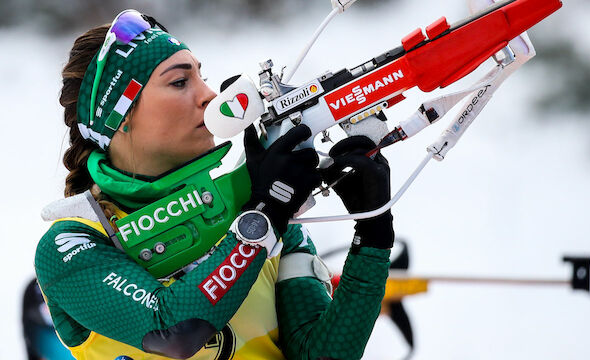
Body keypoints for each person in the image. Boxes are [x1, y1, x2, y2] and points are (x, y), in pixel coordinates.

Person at [34, 9, 395, 360]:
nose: (208, 95)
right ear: (120, 117)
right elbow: (173, 330)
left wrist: (373, 234)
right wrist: (265, 215)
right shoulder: (72, 244)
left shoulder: (248, 202)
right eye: (179, 82)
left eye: (201, 76)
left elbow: (322, 354)